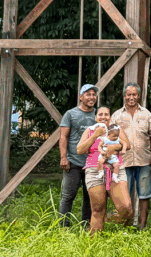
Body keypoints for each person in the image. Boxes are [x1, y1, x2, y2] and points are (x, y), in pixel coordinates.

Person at [76, 106, 133, 233]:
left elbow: (127, 145)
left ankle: (110, 221)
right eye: (100, 114)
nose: (103, 117)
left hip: (115, 169)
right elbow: (79, 150)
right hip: (94, 169)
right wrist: (95, 135)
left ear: (110, 117)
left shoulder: (116, 129)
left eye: (106, 114)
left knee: (126, 207)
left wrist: (115, 147)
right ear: (95, 117)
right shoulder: (89, 130)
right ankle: (95, 244)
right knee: (97, 210)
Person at [111, 82, 151, 229]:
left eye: (134, 94)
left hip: (143, 161)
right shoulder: (116, 115)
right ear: (124, 96)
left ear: (139, 96)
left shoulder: (146, 114)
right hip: (124, 162)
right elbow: (110, 137)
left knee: (144, 194)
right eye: (128, 94)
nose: (131, 97)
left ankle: (142, 226)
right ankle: (126, 226)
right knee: (125, 196)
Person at [58, 83, 99, 226]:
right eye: (88, 94)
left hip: (92, 163)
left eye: (94, 94)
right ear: (81, 97)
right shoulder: (71, 114)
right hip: (74, 161)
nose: (92, 97)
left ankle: (86, 225)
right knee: (68, 196)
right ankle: (63, 227)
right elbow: (63, 137)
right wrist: (63, 157)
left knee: (90, 197)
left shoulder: (98, 115)